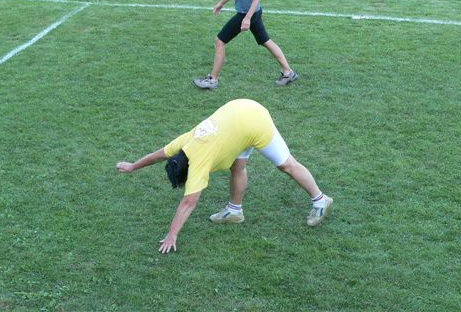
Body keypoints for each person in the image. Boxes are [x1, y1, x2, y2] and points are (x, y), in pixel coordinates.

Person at [116, 99, 333, 254]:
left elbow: (189, 202)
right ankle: (234, 211)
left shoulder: (198, 164)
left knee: (287, 165)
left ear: (188, 171)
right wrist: (133, 166)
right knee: (237, 166)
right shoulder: (183, 144)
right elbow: (158, 156)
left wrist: (172, 234)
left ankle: (320, 200)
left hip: (254, 120)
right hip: (237, 115)